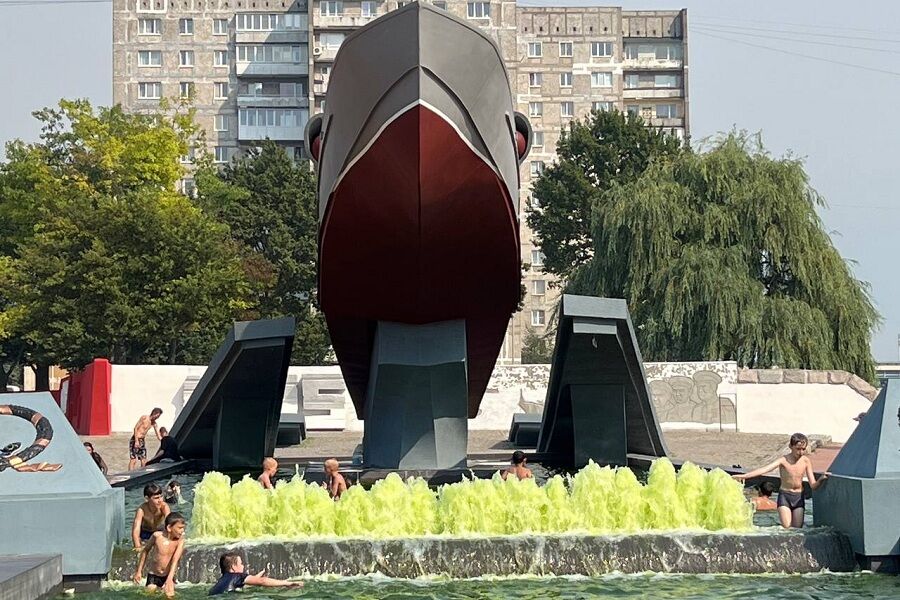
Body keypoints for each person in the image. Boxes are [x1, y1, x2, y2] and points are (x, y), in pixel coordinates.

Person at [733, 433, 829, 528]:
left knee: (797, 529)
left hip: (798, 497)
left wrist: (821, 479)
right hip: (785, 496)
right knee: (787, 528)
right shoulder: (783, 460)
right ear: (790, 446)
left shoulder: (806, 461)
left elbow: (813, 485)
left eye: (803, 449)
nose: (800, 452)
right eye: (798, 449)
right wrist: (744, 476)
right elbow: (764, 469)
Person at [133, 512, 186, 598]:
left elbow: (175, 560)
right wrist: (139, 571)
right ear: (169, 528)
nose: (182, 531)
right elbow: (145, 551)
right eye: (180, 528)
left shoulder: (180, 541)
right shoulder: (157, 536)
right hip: (153, 575)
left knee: (169, 596)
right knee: (149, 595)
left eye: (183, 528)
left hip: (168, 575)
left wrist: (169, 579)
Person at [209, 551, 303, 595]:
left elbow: (236, 586)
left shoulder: (220, 582)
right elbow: (263, 581)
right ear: (233, 567)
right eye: (241, 563)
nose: (243, 566)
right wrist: (287, 583)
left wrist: (255, 578)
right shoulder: (237, 576)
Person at [132, 483, 172, 549]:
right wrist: (137, 546)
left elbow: (170, 523)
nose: (160, 500)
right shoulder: (141, 510)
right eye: (156, 498)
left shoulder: (164, 507)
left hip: (159, 531)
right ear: (147, 498)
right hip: (145, 533)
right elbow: (136, 529)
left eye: (161, 496)